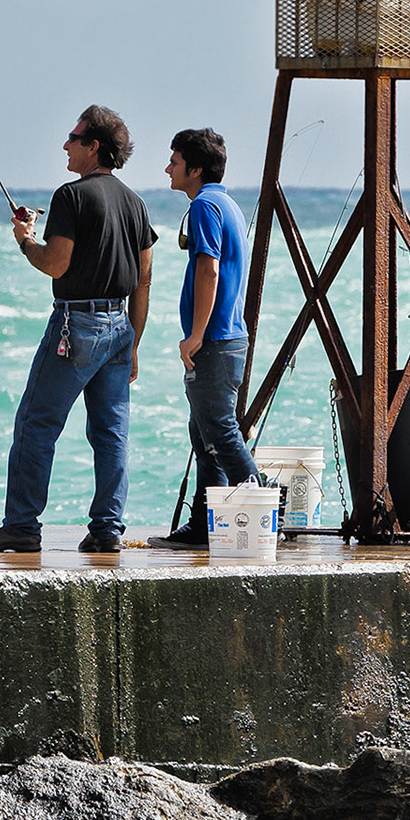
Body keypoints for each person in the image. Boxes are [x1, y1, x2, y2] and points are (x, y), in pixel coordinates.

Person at [0, 105, 157, 554]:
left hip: (77, 324)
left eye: (73, 137)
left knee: (37, 423)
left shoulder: (71, 196)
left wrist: (26, 240)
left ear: (94, 146)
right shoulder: (136, 202)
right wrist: (134, 343)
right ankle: (107, 531)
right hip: (120, 325)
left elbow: (56, 263)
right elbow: (144, 278)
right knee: (111, 435)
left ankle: (22, 527)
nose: (65, 144)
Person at [149, 128, 258, 550]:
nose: (167, 169)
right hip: (228, 339)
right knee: (204, 435)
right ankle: (203, 525)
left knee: (221, 432)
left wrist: (195, 335)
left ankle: (267, 510)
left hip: (214, 340)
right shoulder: (228, 204)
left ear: (195, 169)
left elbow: (208, 270)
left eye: (174, 162)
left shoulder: (205, 207)